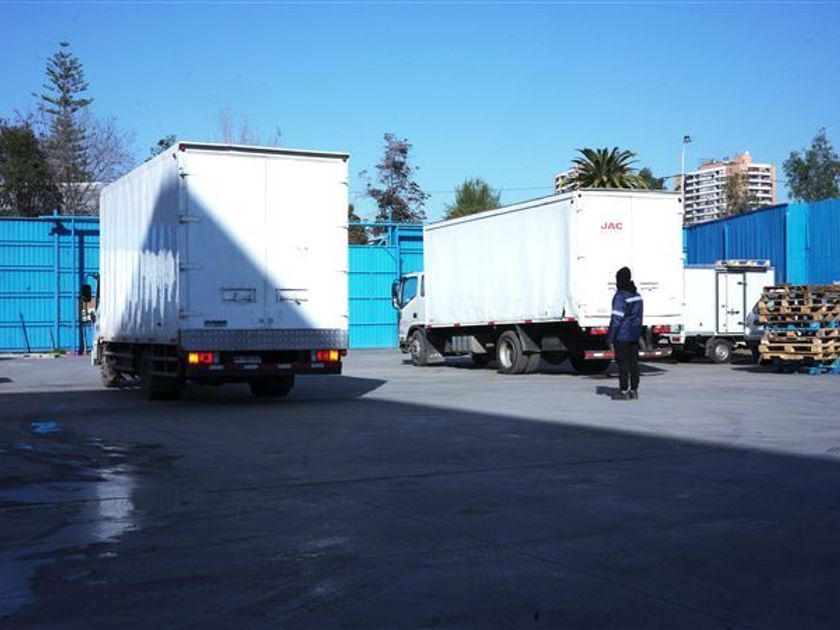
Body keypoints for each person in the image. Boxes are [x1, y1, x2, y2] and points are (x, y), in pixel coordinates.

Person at [606, 267, 644, 400]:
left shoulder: (620, 296)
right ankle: (634, 390)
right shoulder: (637, 295)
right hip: (634, 335)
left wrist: (610, 338)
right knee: (634, 363)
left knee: (623, 363)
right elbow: (639, 316)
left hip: (622, 336)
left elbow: (616, 319)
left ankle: (623, 391)